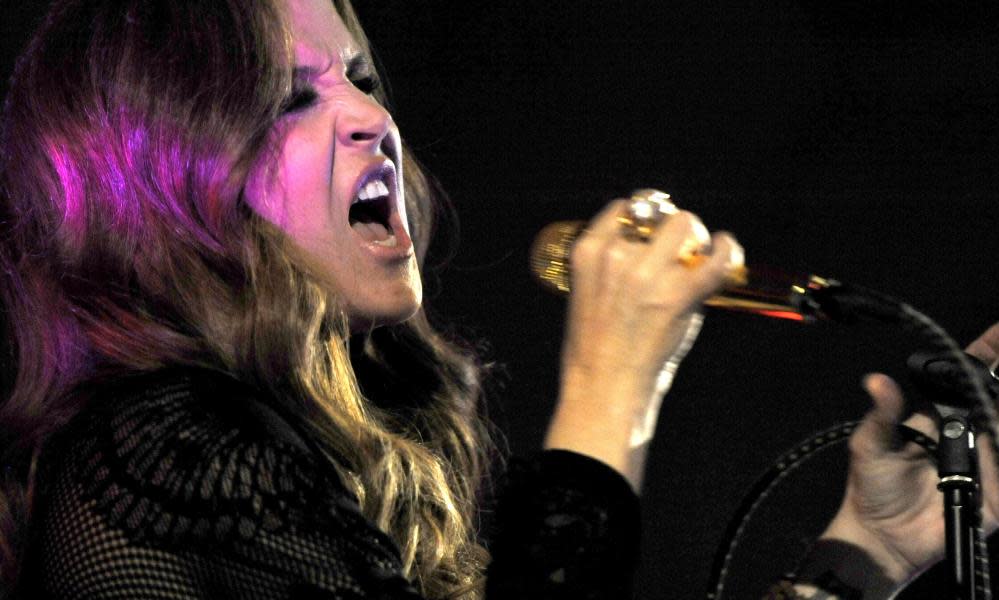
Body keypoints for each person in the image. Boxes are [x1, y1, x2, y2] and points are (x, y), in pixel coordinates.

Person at [0, 1, 994, 599]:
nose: (369, 117)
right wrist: (611, 382)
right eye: (289, 98)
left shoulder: (322, 454)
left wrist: (867, 547)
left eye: (360, 76)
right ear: (166, 181)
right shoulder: (151, 450)